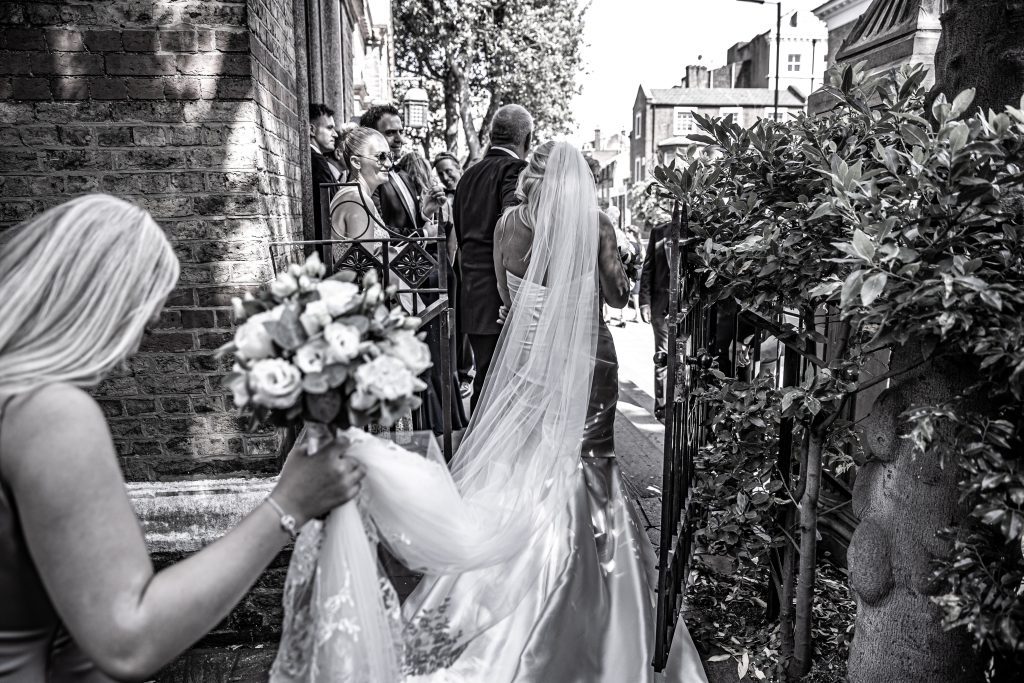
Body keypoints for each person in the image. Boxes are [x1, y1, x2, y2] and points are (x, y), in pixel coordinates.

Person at [271, 142, 708, 683]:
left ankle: (507, 575)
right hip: (588, 357)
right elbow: (618, 298)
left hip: (525, 354)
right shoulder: (595, 224)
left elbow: (506, 294)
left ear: (531, 175)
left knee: (526, 457)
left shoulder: (508, 225)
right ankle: (593, 574)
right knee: (590, 459)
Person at [0, 194, 365, 681]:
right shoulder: (48, 412)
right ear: (98, 307)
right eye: (139, 329)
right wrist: (289, 503)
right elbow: (129, 640)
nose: (129, 359)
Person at [452, 103, 531, 412]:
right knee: (504, 389)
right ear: (526, 138)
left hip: (471, 296)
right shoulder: (514, 171)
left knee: (485, 383)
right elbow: (512, 228)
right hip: (500, 297)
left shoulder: (467, 177)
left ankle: (479, 452)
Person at [359, 104, 445, 237]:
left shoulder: (404, 175)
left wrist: (425, 213)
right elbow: (377, 232)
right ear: (369, 137)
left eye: (400, 132)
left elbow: (410, 223)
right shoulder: (369, 178)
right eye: (390, 132)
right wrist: (424, 234)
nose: (401, 139)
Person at [433, 151, 474, 400]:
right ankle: (459, 373)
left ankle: (467, 373)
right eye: (440, 173)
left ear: (458, 167)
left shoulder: (470, 192)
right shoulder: (444, 201)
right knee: (456, 320)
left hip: (471, 262)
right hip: (451, 263)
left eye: (449, 170)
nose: (446, 176)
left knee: (468, 320)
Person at [640, 220, 672, 421]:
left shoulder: (698, 229)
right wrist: (644, 302)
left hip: (687, 308)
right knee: (662, 356)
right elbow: (648, 268)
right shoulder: (659, 231)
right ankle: (662, 406)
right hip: (661, 306)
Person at [309, 103, 339, 240]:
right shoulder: (317, 161)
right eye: (329, 128)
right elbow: (330, 208)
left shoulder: (317, 159)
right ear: (311, 129)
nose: (336, 134)